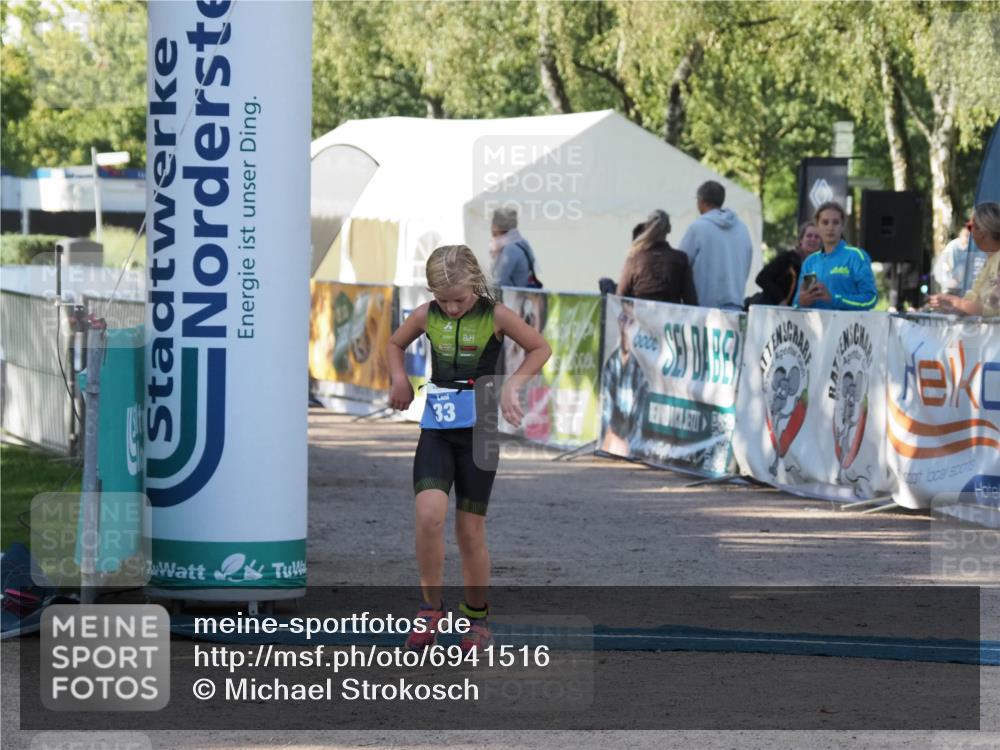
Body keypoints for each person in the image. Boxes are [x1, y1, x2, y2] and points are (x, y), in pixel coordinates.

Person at [387, 245, 551, 653]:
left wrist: (512, 386)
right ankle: (430, 610)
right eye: (443, 300)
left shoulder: (496, 315)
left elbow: (540, 348)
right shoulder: (426, 315)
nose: (452, 308)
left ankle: (477, 619)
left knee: (469, 532)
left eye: (459, 300)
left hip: (481, 433)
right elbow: (394, 344)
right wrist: (399, 379)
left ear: (475, 284)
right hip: (438, 430)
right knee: (428, 516)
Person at [678, 180, 753, 310]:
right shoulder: (742, 229)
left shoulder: (697, 228)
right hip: (735, 304)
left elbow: (680, 264)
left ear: (701, 201)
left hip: (704, 308)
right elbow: (747, 265)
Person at [793, 201, 878, 311]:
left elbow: (870, 299)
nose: (830, 227)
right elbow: (797, 303)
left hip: (848, 322)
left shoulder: (856, 256)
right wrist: (801, 302)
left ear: (842, 226)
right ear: (817, 226)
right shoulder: (810, 262)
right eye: (825, 222)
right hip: (815, 322)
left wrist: (834, 299)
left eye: (836, 222)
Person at [928, 202, 1000, 316]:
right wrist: (952, 307)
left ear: (982, 232)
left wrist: (956, 303)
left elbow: (993, 307)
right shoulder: (990, 260)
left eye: (970, 227)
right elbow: (974, 299)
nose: (970, 233)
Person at [599, 299, 650, 457]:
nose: (625, 327)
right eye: (623, 318)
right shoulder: (612, 363)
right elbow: (605, 413)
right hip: (613, 442)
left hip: (629, 445)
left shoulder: (643, 368)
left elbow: (640, 425)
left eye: (631, 321)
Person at [616, 209, 698, 305]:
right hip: (670, 314)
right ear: (669, 229)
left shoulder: (634, 258)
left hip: (640, 313)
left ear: (646, 227)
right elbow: (690, 300)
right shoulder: (681, 259)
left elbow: (620, 295)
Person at [746, 221, 822, 307]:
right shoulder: (788, 258)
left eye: (817, 237)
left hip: (790, 313)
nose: (813, 239)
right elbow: (761, 278)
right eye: (809, 236)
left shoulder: (815, 267)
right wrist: (781, 300)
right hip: (765, 307)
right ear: (801, 240)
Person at [489, 206, 540, 288]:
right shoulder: (521, 242)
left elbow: (498, 282)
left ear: (497, 226)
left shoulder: (510, 249)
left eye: (492, 222)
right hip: (520, 293)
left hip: (514, 295)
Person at [932, 218, 973, 295]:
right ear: (961, 233)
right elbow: (938, 269)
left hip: (965, 289)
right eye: (966, 235)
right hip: (951, 289)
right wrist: (946, 282)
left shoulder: (972, 248)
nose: (968, 238)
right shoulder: (952, 247)